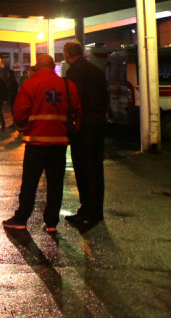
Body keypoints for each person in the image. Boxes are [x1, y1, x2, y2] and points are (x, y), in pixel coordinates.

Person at [2, 54, 80, 234]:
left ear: (37, 67)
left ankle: (21, 219)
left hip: (36, 143)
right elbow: (77, 110)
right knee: (55, 184)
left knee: (30, 183)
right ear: (53, 67)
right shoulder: (68, 86)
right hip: (59, 143)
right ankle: (52, 222)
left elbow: (19, 113)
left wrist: (23, 129)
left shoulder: (30, 84)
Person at [62, 40, 110, 225]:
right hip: (98, 122)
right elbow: (105, 96)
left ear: (67, 54)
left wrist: (73, 124)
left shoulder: (74, 72)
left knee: (83, 167)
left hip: (84, 125)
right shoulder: (95, 70)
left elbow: (74, 100)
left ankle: (86, 209)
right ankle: (96, 210)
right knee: (96, 167)